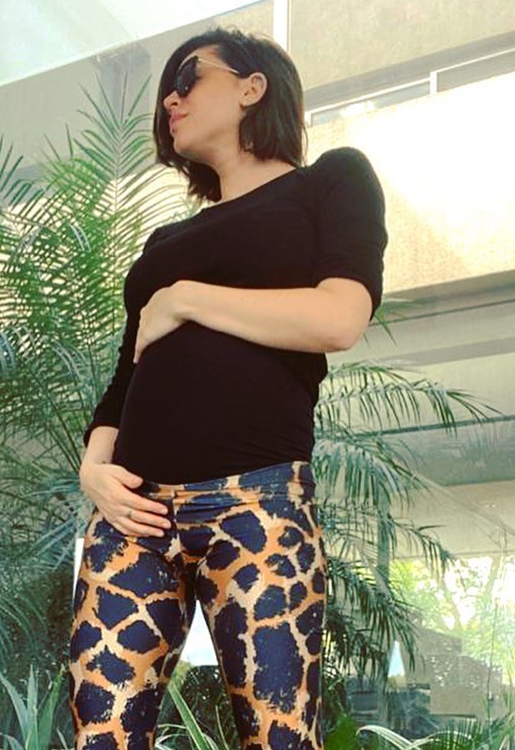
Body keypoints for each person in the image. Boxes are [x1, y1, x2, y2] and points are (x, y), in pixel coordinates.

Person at [68, 25, 388, 750]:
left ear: (252, 86)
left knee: (278, 737)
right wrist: (93, 470)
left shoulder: (330, 181)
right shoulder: (162, 243)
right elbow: (127, 378)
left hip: (257, 501)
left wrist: (186, 298)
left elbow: (340, 318)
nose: (170, 100)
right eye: (167, 92)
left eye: (189, 79)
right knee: (100, 736)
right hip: (133, 512)